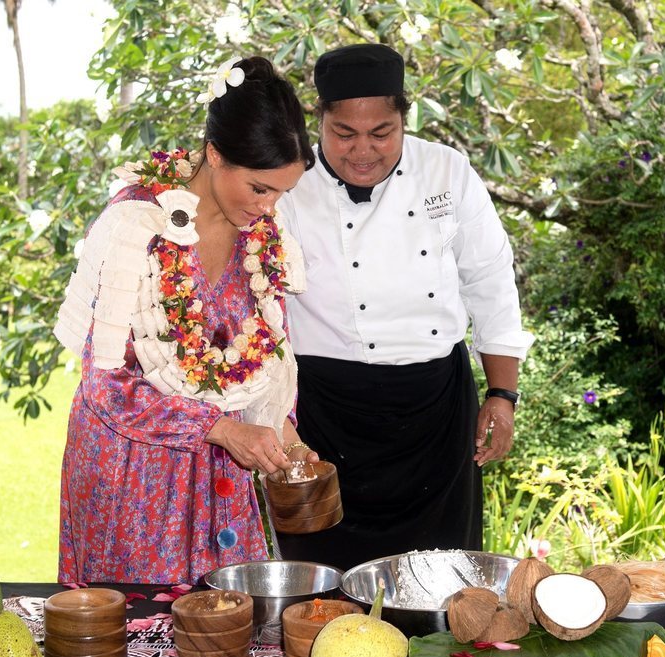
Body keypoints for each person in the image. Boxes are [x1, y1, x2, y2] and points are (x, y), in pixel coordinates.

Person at [53, 57, 319, 585]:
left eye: (282, 193)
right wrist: (217, 428)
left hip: (224, 472)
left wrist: (281, 432)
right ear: (215, 154)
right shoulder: (136, 227)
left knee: (228, 637)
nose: (269, 208)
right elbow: (106, 385)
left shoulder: (262, 236)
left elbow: (266, 352)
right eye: (261, 188)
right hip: (135, 472)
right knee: (135, 649)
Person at [275, 45, 535, 572]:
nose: (363, 151)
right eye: (344, 133)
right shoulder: (286, 185)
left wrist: (503, 394)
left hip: (434, 407)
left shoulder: (446, 171)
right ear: (318, 121)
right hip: (325, 408)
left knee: (442, 575)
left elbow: (489, 279)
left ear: (404, 120)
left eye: (382, 133)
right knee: (323, 578)